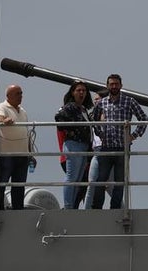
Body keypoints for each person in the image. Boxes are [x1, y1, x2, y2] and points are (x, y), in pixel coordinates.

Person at [89, 74, 148, 210]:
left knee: (120, 181)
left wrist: (134, 136)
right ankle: (96, 208)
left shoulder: (129, 101)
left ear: (121, 85)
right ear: (107, 86)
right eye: (111, 84)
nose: (114, 86)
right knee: (100, 180)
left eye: (116, 84)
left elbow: (143, 118)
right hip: (106, 146)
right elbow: (94, 119)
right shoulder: (102, 102)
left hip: (122, 147)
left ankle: (114, 208)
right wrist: (99, 132)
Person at [55, 81, 94, 209]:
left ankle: (71, 206)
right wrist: (73, 130)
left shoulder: (83, 109)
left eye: (84, 90)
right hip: (74, 144)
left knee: (77, 179)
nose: (81, 93)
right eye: (78, 90)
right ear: (73, 92)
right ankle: (68, 206)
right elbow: (59, 118)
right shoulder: (70, 106)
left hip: (83, 146)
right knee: (72, 177)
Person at [0, 84, 31, 210]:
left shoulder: (23, 111)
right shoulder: (1, 107)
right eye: (17, 94)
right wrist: (4, 120)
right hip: (7, 155)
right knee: (1, 184)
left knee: (19, 185)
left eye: (21, 93)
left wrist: (30, 153)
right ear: (8, 96)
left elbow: (27, 132)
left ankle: (18, 210)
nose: (20, 96)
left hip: (22, 155)